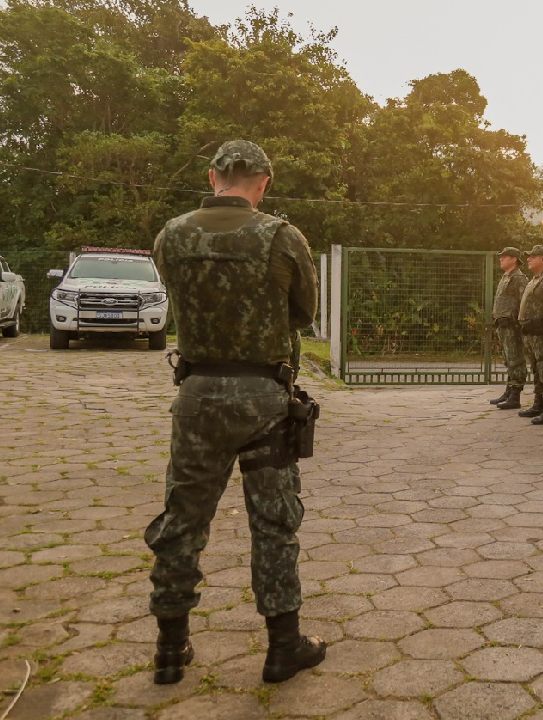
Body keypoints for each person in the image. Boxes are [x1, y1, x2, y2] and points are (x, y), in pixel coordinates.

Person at [145, 140, 324, 685]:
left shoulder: (171, 235)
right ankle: (282, 647)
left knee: (183, 518)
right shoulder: (283, 237)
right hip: (264, 399)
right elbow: (303, 313)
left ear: (212, 175)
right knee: (273, 521)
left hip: (197, 396)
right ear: (263, 182)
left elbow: (174, 290)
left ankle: (171, 650)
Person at [517, 244, 543, 424]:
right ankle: (538, 403)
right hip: (530, 334)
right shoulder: (534, 279)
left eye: (532, 256)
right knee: (537, 369)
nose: (528, 259)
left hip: (542, 333)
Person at [491, 247, 528, 410]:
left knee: (515, 359)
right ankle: (509, 390)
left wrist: (518, 323)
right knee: (508, 359)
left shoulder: (519, 278)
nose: (501, 259)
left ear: (514, 259)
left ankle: (515, 394)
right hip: (502, 325)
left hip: (513, 326)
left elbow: (524, 303)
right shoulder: (506, 277)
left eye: (504, 257)